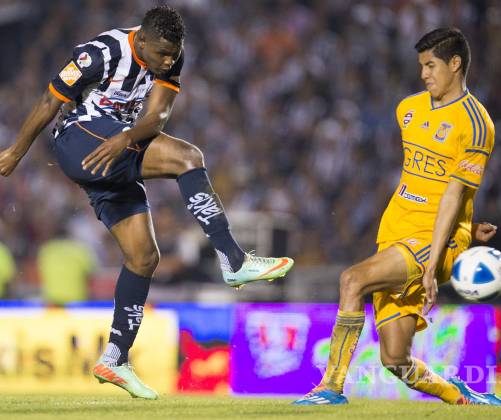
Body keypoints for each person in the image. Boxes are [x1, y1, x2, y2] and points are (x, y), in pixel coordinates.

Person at [0, 6, 293, 399]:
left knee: (143, 257)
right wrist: (16, 152)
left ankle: (115, 358)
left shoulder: (172, 56)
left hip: (117, 146)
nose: (168, 62)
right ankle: (234, 260)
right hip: (79, 139)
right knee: (187, 157)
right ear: (141, 41)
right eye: (162, 55)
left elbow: (158, 116)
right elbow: (48, 101)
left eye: (174, 55)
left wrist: (126, 138)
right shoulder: (101, 53)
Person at [294, 28, 501, 406]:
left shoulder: (476, 124)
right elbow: (426, 179)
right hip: (395, 232)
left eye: (431, 65)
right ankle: (459, 396)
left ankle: (330, 388)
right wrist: (471, 226)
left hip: (433, 241)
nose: (423, 74)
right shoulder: (408, 109)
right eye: (421, 66)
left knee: (352, 280)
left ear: (455, 64)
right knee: (394, 359)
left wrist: (437, 260)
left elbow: (453, 194)